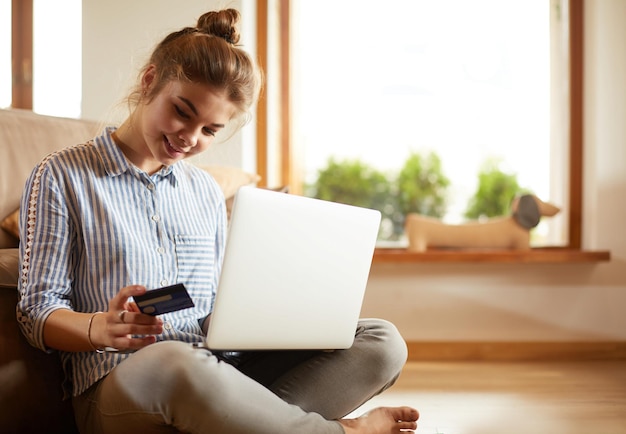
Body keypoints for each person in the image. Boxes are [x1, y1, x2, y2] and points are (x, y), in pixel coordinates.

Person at [16, 9, 419, 434]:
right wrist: (101, 328)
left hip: (216, 370)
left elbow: (208, 309)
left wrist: (265, 315)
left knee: (381, 341)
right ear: (150, 80)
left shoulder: (205, 192)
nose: (190, 138)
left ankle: (247, 425)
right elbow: (36, 313)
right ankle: (338, 432)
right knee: (173, 361)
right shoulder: (61, 175)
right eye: (182, 112)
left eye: (210, 130)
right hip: (121, 384)